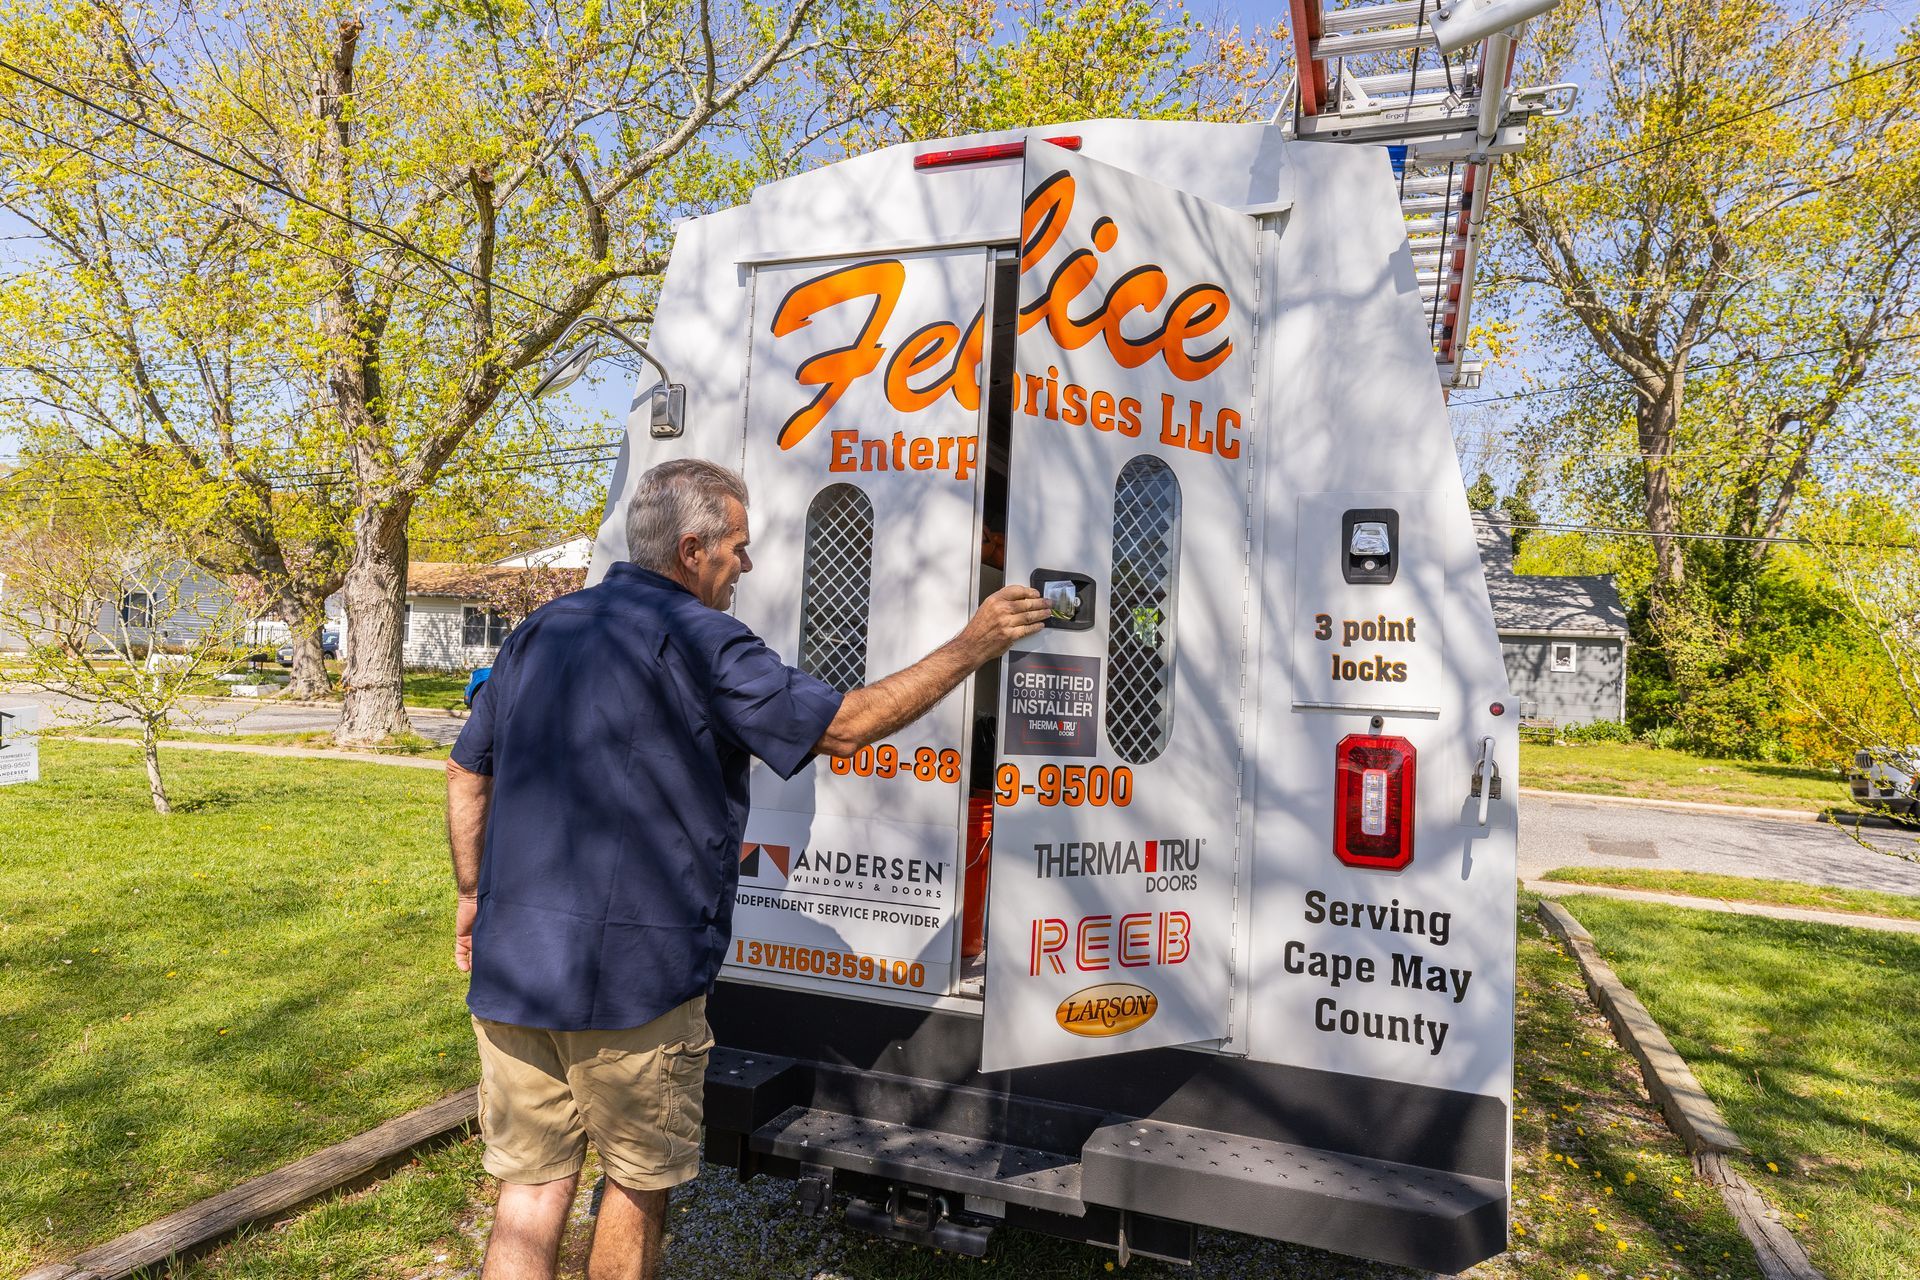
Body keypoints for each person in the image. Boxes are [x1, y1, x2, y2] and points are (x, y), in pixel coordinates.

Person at [445, 458, 1049, 1280]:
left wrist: (475, 894)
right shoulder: (702, 640)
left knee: (530, 1188)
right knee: (635, 1181)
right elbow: (845, 727)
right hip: (634, 979)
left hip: (516, 965)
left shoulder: (543, 629)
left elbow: (464, 772)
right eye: (739, 545)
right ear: (693, 549)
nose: (749, 564)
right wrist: (976, 643)